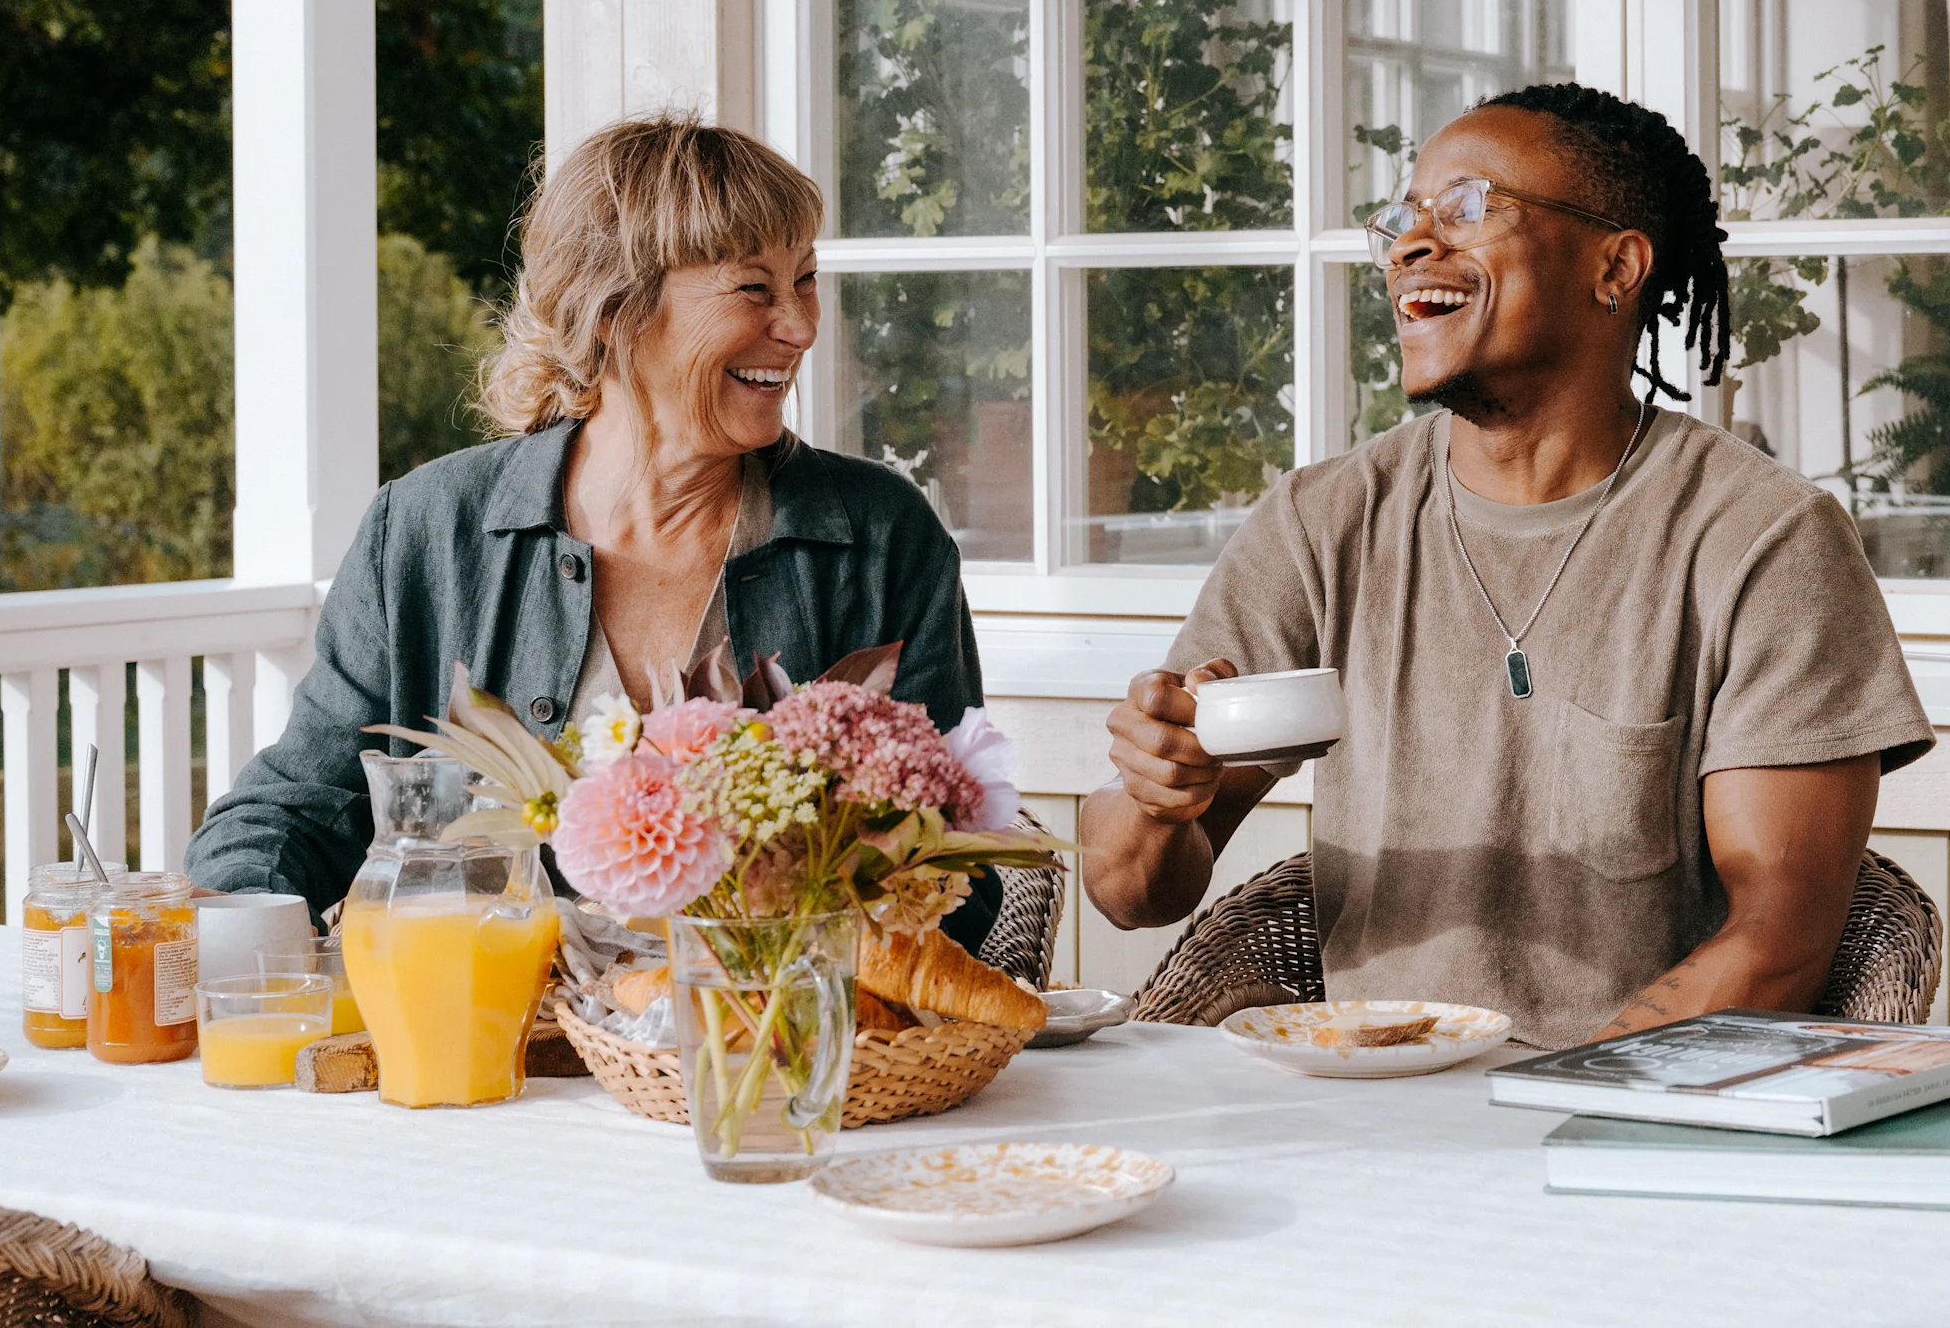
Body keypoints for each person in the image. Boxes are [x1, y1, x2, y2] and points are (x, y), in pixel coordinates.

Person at [1080, 84, 1935, 1050]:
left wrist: (1550, 1102)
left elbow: (1776, 943)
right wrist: (1158, 799)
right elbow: (1126, 891)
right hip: (1365, 1092)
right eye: (1401, 218)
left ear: (1616, 266)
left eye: (1466, 207)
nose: (1410, 245)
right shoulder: (1323, 522)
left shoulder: (1763, 538)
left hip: (1632, 1102)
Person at [188, 114, 1001, 951]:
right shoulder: (428, 532)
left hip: (766, 1029)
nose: (800, 326)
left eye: (806, 281)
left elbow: (959, 877)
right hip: (490, 1027)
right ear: (614, 311)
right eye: (755, 289)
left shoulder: (882, 539)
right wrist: (247, 938)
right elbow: (291, 813)